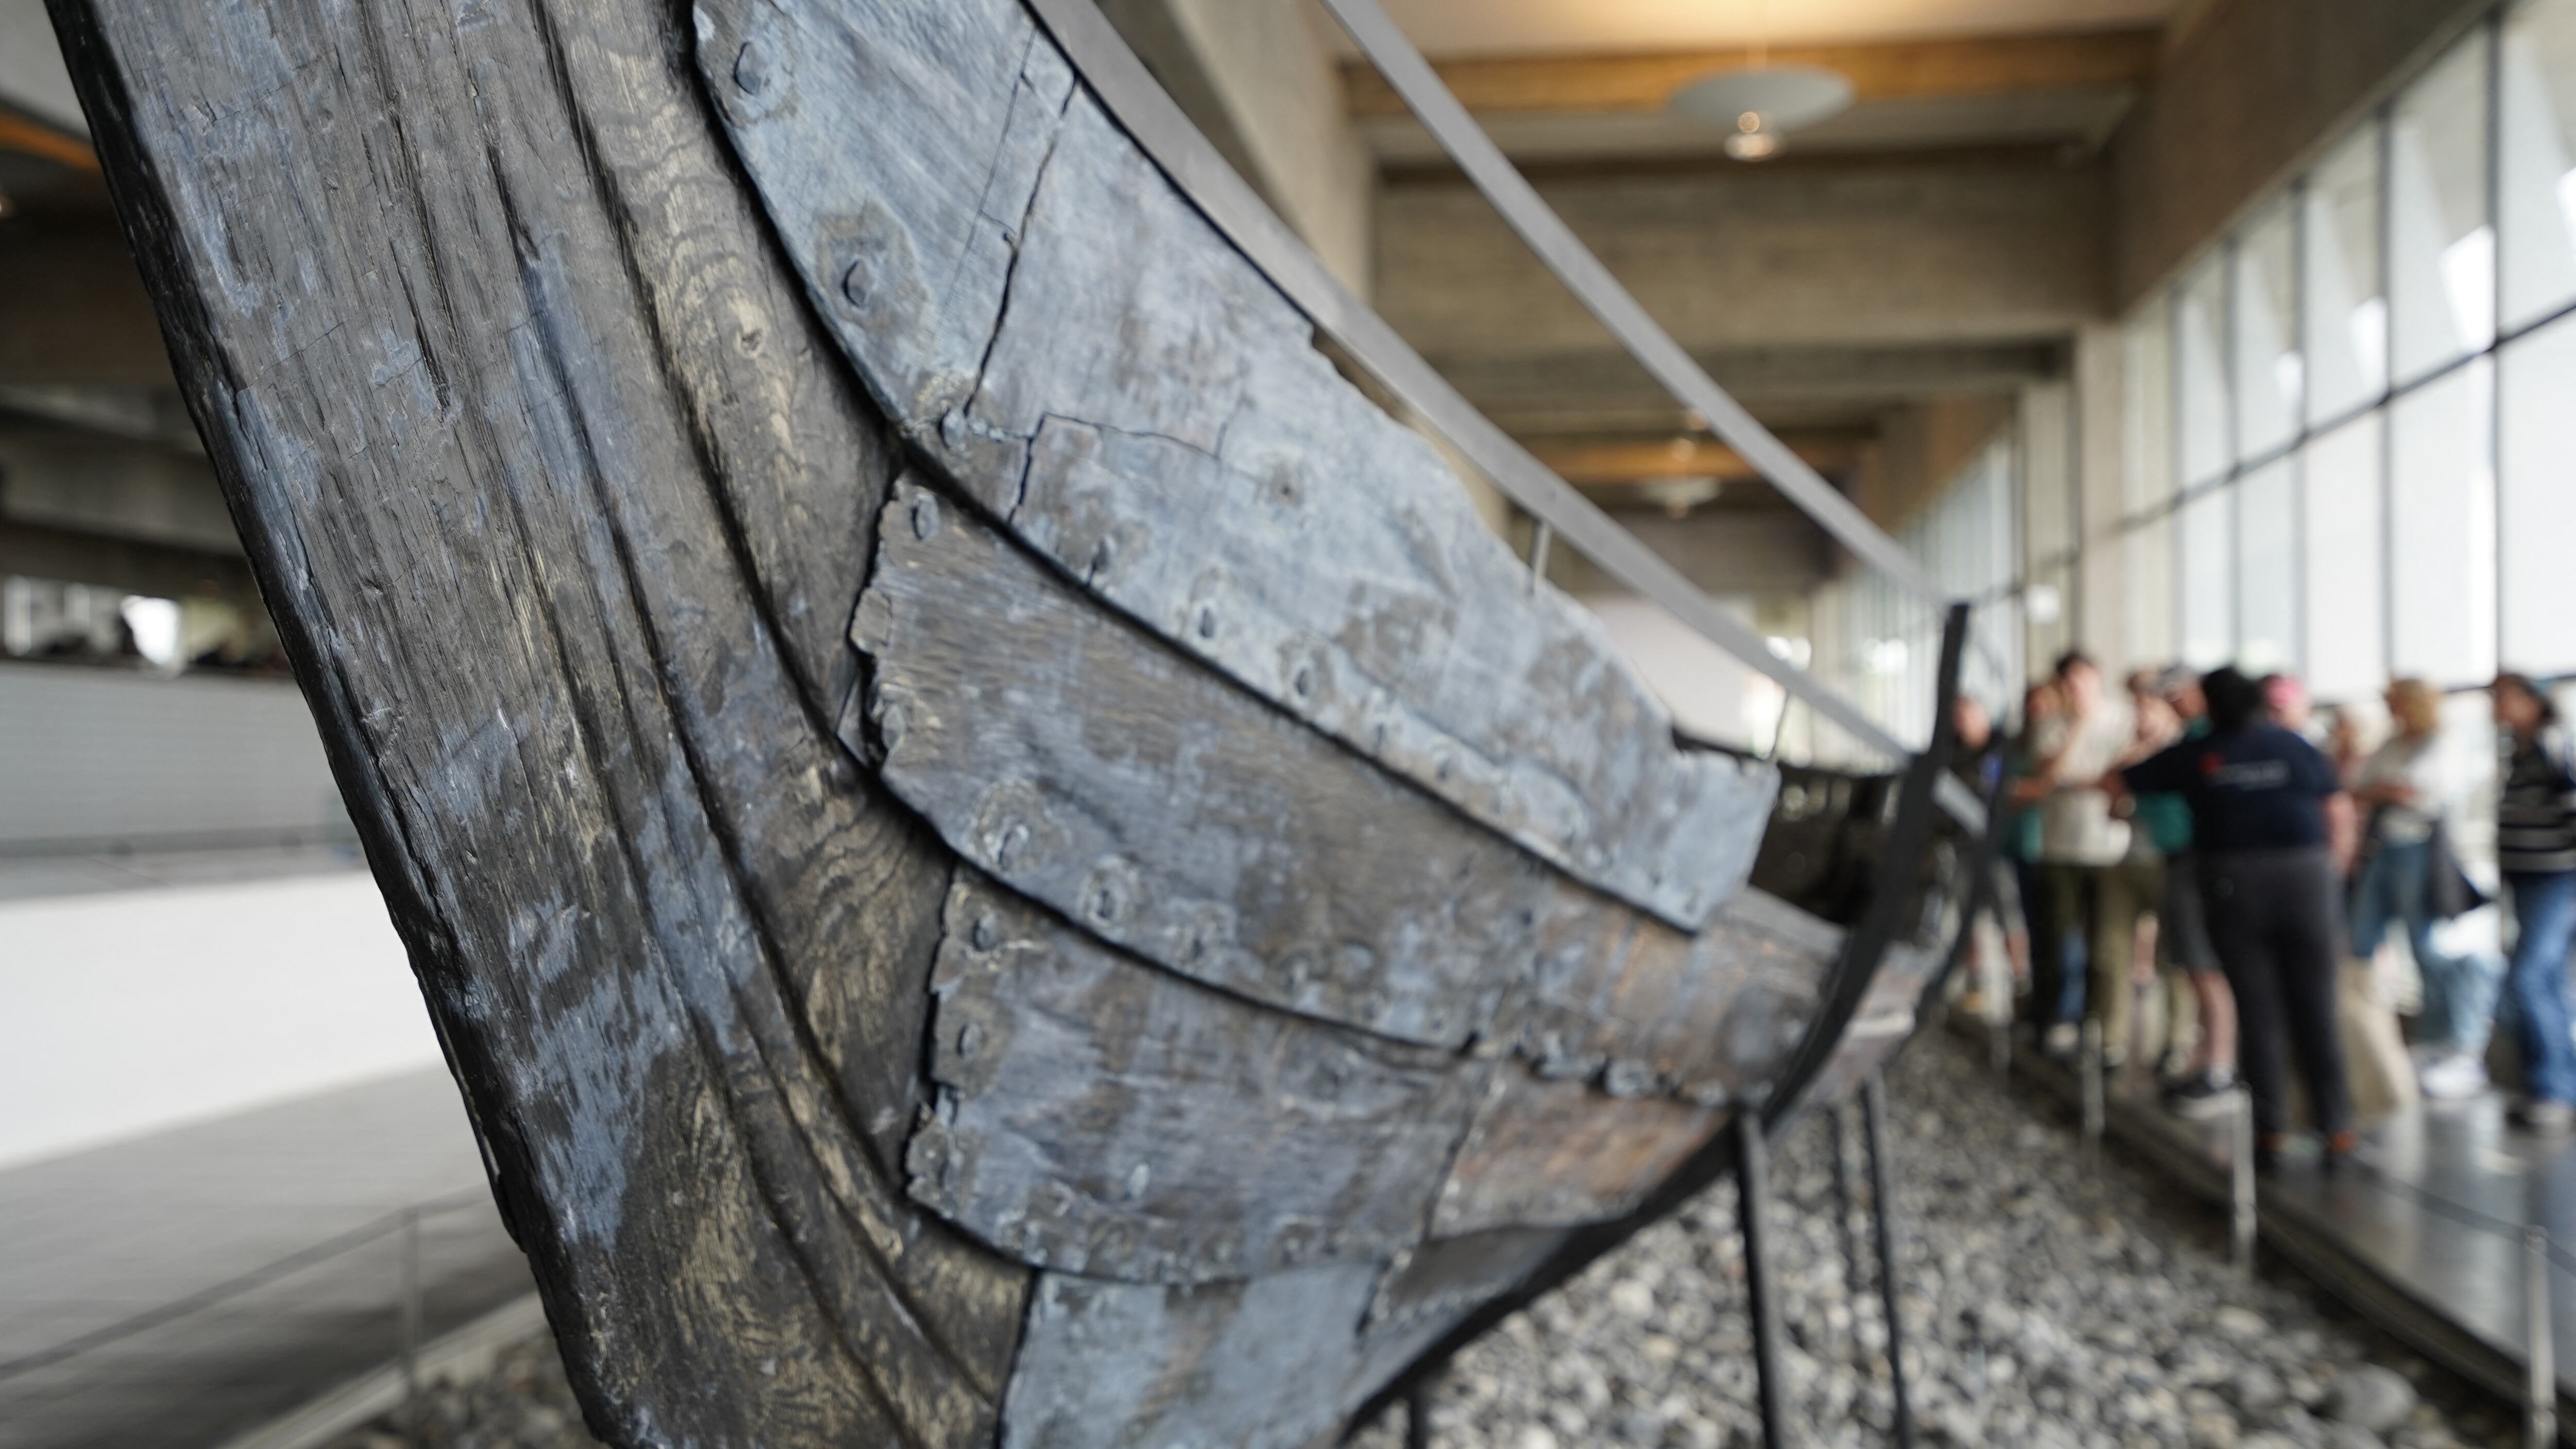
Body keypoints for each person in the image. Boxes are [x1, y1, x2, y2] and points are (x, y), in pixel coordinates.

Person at [2119, 667, 2353, 1167]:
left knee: (2257, 1008)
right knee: (2316, 1006)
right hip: (2306, 877)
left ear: (2209, 704)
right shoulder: (2293, 745)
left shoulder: (2198, 751)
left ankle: (2271, 1132)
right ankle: (2336, 1128)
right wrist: (2329, 874)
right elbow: (2337, 810)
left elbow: (2122, 778)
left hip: (2232, 881)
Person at [2351, 679, 2497, 1101]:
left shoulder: (2442, 742)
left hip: (2420, 849)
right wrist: (2386, 790)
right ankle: (2411, 1041)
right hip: (2384, 847)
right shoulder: (2394, 743)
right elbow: (2363, 787)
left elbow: (2412, 790)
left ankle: (2453, 1045)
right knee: (2361, 942)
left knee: (2427, 948)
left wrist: (2385, 790)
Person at [2129, 668, 2238, 1117]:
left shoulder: (2204, 742)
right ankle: (2211, 1061)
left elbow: (2129, 781)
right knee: (2198, 967)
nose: (2171, 702)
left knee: (2206, 968)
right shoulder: (2191, 741)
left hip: (2200, 860)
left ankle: (2220, 1068)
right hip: (2187, 858)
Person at [2027, 652, 2137, 1061]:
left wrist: (2081, 780)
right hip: (2060, 845)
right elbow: (2048, 777)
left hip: (2109, 848)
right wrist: (2078, 726)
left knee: (2107, 945)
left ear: (2097, 676)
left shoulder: (2122, 718)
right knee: (2062, 938)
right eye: (2068, 682)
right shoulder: (2051, 724)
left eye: (2082, 679)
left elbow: (2123, 775)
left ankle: (2105, 1028)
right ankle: (2066, 1016)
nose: (2076, 688)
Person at [2494, 673, 2576, 1134]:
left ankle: (2553, 1091)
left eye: (2505, 697)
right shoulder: (2519, 750)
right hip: (2528, 880)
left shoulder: (2553, 744)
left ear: (2533, 700)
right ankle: (2557, 1089)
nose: (2497, 706)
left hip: (2556, 880)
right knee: (2548, 985)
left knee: (2528, 980)